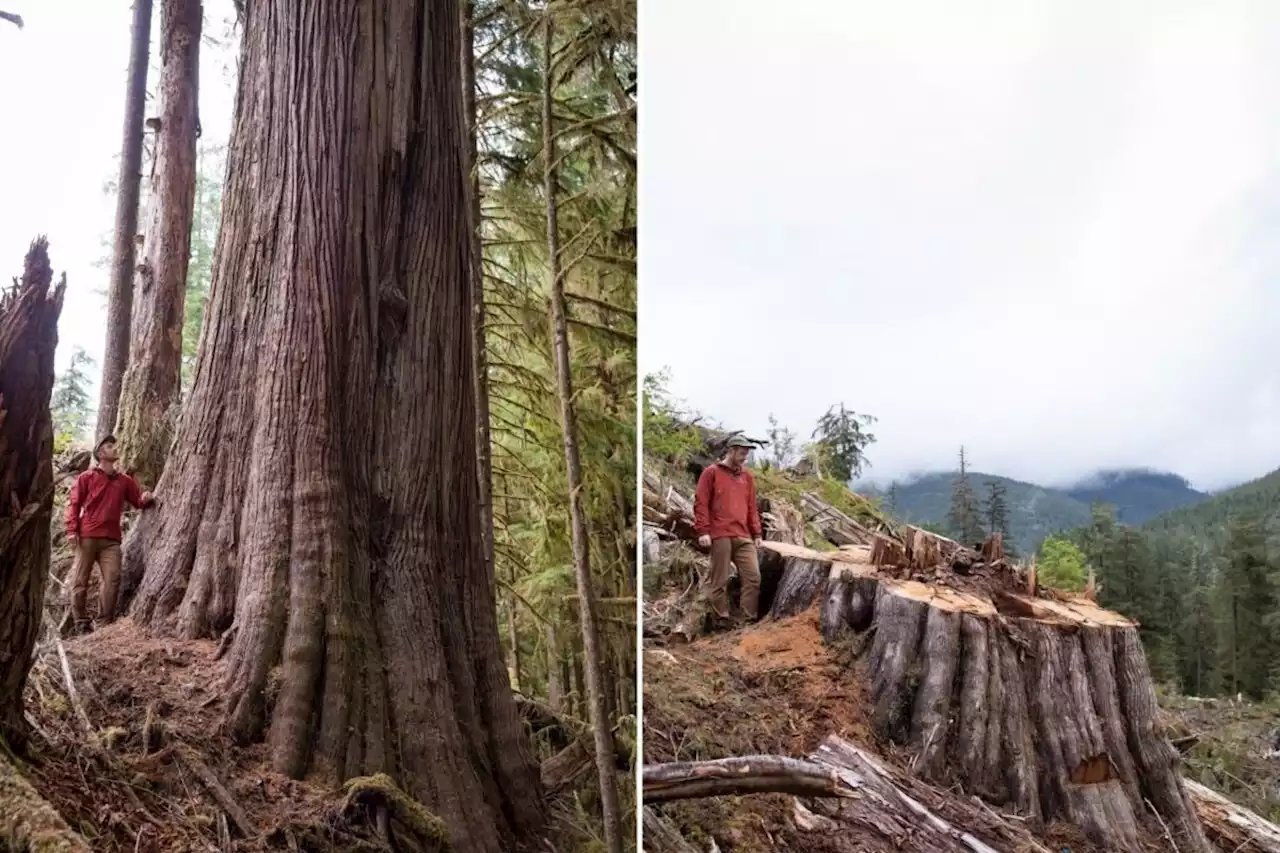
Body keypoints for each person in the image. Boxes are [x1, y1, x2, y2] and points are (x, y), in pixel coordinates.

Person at [64, 434, 155, 633]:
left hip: (111, 541)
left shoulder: (125, 481)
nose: (115, 448)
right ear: (100, 453)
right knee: (80, 581)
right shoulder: (86, 477)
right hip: (86, 537)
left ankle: (104, 623)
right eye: (110, 446)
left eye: (114, 445)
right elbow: (74, 503)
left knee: (112, 579)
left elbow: (137, 501)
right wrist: (72, 530)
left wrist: (146, 497)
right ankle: (81, 623)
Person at [693, 435, 763, 627]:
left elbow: (751, 507)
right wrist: (703, 531)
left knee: (753, 577)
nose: (744, 457)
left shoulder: (747, 477)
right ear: (731, 451)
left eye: (746, 454)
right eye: (741, 453)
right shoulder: (711, 473)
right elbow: (701, 502)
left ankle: (746, 620)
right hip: (719, 533)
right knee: (719, 580)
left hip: (743, 534)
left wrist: (756, 533)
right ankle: (721, 620)